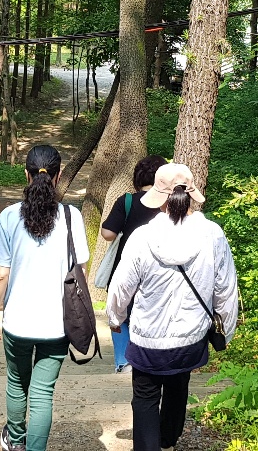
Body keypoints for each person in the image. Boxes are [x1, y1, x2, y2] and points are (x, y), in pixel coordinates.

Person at [106, 163, 239, 451]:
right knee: (178, 387)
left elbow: (121, 287)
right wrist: (225, 330)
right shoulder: (212, 234)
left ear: (159, 197)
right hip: (191, 337)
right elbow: (225, 288)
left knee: (145, 397)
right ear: (191, 195)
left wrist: (115, 318)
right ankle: (168, 440)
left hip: (147, 339)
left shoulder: (143, 237)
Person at [0, 145, 89, 451]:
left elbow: (0, 273)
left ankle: (16, 441)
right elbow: (79, 269)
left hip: (17, 321)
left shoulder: (9, 216)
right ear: (58, 176)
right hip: (57, 324)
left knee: (17, 383)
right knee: (43, 393)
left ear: (26, 174)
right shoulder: (71, 216)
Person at [99, 154, 166, 373]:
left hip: (125, 268)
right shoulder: (167, 203)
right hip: (159, 270)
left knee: (120, 313)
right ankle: (151, 359)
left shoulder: (127, 201)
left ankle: (123, 361)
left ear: (137, 178)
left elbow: (107, 233)